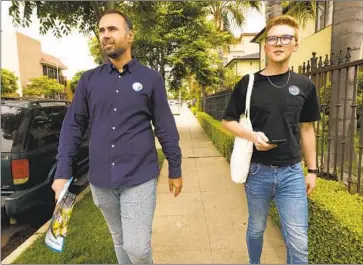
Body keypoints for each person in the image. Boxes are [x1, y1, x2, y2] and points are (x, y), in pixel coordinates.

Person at [52, 10, 183, 264]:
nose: (105, 35)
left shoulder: (150, 78)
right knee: (119, 239)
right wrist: (62, 171)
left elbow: (165, 125)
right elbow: (73, 125)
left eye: (112, 29)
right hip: (101, 180)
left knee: (137, 248)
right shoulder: (89, 80)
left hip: (138, 177)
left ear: (130, 35)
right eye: (101, 31)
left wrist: (174, 166)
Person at [222, 15, 320, 264]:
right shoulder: (249, 83)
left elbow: (307, 129)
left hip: (291, 173)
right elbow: (228, 121)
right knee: (256, 228)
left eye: (285, 38)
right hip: (257, 172)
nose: (278, 43)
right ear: (265, 46)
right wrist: (251, 136)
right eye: (273, 38)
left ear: (295, 45)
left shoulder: (305, 85)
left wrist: (312, 170)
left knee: (299, 241)